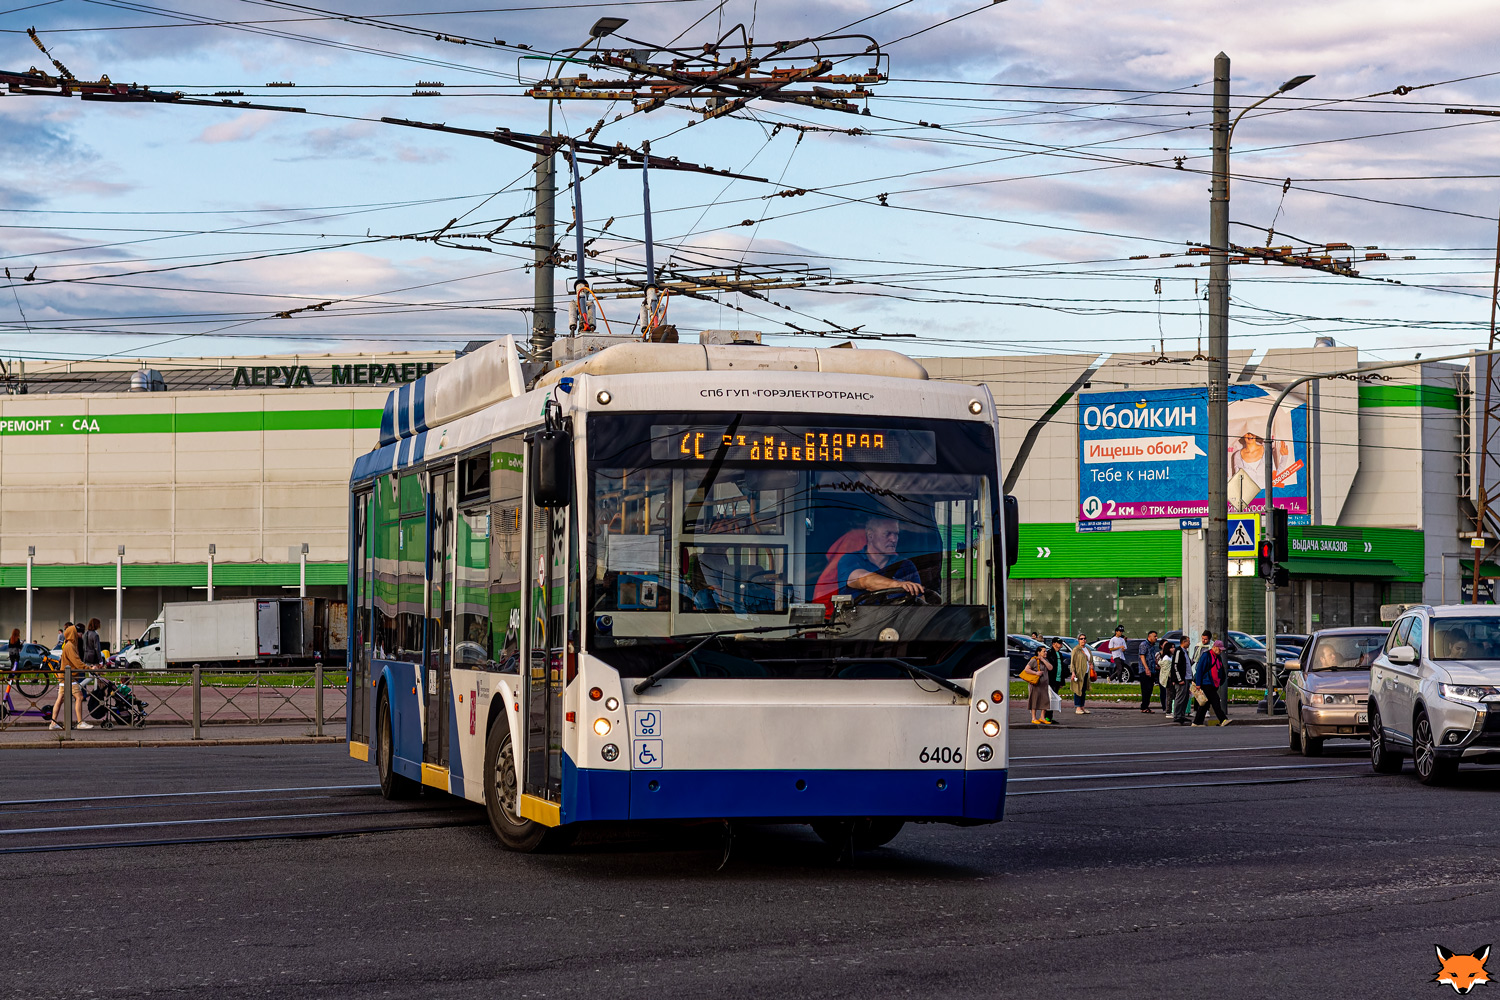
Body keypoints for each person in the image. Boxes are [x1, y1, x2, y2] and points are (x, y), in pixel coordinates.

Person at [838, 516, 923, 597]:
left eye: (896, 534)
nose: (893, 539)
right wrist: (898, 585)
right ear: (870, 535)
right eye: (887, 534)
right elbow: (864, 580)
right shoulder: (850, 559)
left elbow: (920, 599)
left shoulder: (905, 565)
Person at [49, 623, 93, 731]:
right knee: (79, 697)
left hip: (64, 676)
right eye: (77, 633)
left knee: (60, 699)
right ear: (73, 633)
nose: (80, 635)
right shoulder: (71, 646)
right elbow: (76, 662)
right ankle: (80, 722)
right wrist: (88, 668)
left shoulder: (68, 644)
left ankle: (53, 723)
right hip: (69, 676)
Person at [1192, 638, 1231, 727]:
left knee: (1205, 705)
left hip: (1213, 684)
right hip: (1206, 683)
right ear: (1215, 647)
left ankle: (1197, 722)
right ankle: (1223, 719)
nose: (1221, 651)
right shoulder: (1206, 655)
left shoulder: (1217, 657)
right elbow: (1199, 670)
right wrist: (1198, 684)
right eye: (1220, 649)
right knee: (1215, 701)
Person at [1163, 635, 1192, 724]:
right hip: (1181, 680)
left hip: (1187, 678)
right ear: (1184, 642)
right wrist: (1179, 679)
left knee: (1185, 698)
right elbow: (1175, 666)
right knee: (1179, 698)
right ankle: (1177, 715)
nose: (1189, 643)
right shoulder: (1179, 651)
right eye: (1188, 641)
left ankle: (1182, 715)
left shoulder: (1185, 652)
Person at [1043, 637, 1068, 723]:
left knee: (1054, 698)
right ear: (1053, 644)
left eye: (1061, 642)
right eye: (1059, 642)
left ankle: (1050, 716)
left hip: (1057, 679)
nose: (1061, 644)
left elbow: (1061, 667)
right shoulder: (1049, 653)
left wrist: (1061, 681)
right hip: (1051, 679)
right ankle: (1046, 717)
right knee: (1049, 698)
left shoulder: (1060, 654)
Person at [1136, 630, 1160, 714]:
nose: (1156, 638)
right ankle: (1144, 706)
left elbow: (1153, 657)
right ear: (1149, 637)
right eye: (1155, 636)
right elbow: (1142, 656)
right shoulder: (1144, 645)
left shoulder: (1152, 646)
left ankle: (1146, 705)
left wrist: (1156, 664)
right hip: (1145, 670)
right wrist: (1146, 668)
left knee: (1150, 689)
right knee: (1146, 689)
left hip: (1152, 670)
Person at [1025, 649, 1050, 725]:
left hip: (1044, 684)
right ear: (1039, 652)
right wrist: (1036, 673)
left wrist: (1043, 660)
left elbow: (1050, 668)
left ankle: (1042, 717)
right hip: (1035, 684)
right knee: (1034, 700)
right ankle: (1033, 718)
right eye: (1044, 651)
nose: (1045, 652)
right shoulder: (1034, 660)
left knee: (1045, 700)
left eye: (1046, 651)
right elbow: (1026, 669)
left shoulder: (1045, 660)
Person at [1071, 632, 1093, 715]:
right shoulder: (1076, 650)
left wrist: (1091, 665)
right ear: (1078, 640)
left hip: (1086, 672)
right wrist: (1073, 672)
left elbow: (1090, 660)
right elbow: (1072, 662)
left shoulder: (1087, 649)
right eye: (1081, 639)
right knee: (1078, 689)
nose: (1083, 640)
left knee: (1083, 690)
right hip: (1078, 672)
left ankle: (1082, 706)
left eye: (1084, 638)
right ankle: (1078, 707)